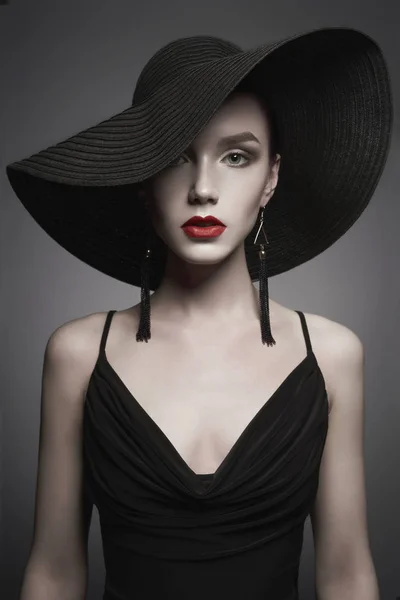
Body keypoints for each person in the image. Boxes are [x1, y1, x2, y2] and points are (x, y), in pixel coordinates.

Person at [7, 27, 392, 600]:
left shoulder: (332, 356)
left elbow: (347, 574)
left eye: (236, 156)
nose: (204, 188)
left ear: (272, 179)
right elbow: (54, 571)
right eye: (175, 157)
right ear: (142, 181)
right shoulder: (78, 354)